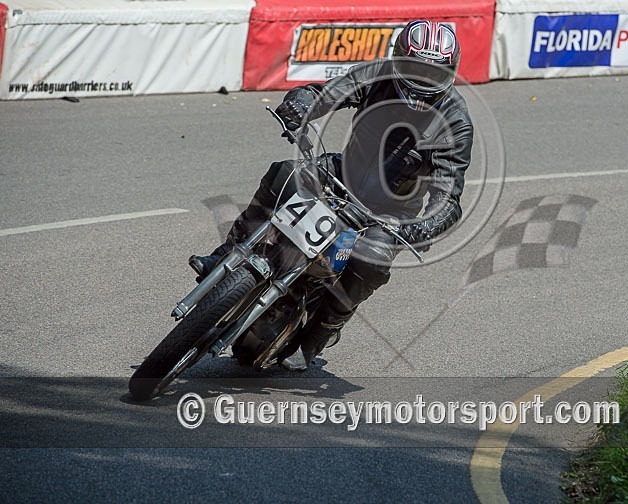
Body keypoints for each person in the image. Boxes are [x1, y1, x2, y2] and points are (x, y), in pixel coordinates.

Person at [190, 19, 474, 370]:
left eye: (434, 73)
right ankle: (228, 252)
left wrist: (422, 226)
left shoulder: (456, 122)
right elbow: (328, 93)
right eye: (415, 69)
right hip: (342, 172)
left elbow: (449, 198)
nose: (422, 82)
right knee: (285, 172)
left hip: (391, 211)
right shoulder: (376, 75)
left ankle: (320, 333)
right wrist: (301, 103)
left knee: (372, 259)